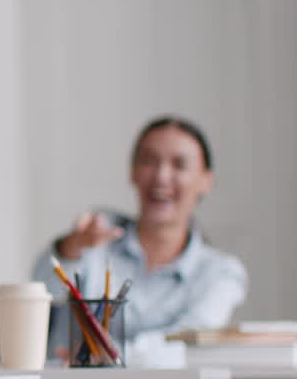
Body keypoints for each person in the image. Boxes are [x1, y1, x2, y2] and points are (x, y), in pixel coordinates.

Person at [32, 116, 248, 366]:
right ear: (132, 171)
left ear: (205, 181)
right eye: (149, 161)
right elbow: (40, 288)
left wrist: (109, 359)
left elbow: (186, 346)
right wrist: (71, 247)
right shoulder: (97, 236)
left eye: (179, 164)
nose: (161, 175)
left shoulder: (221, 273)